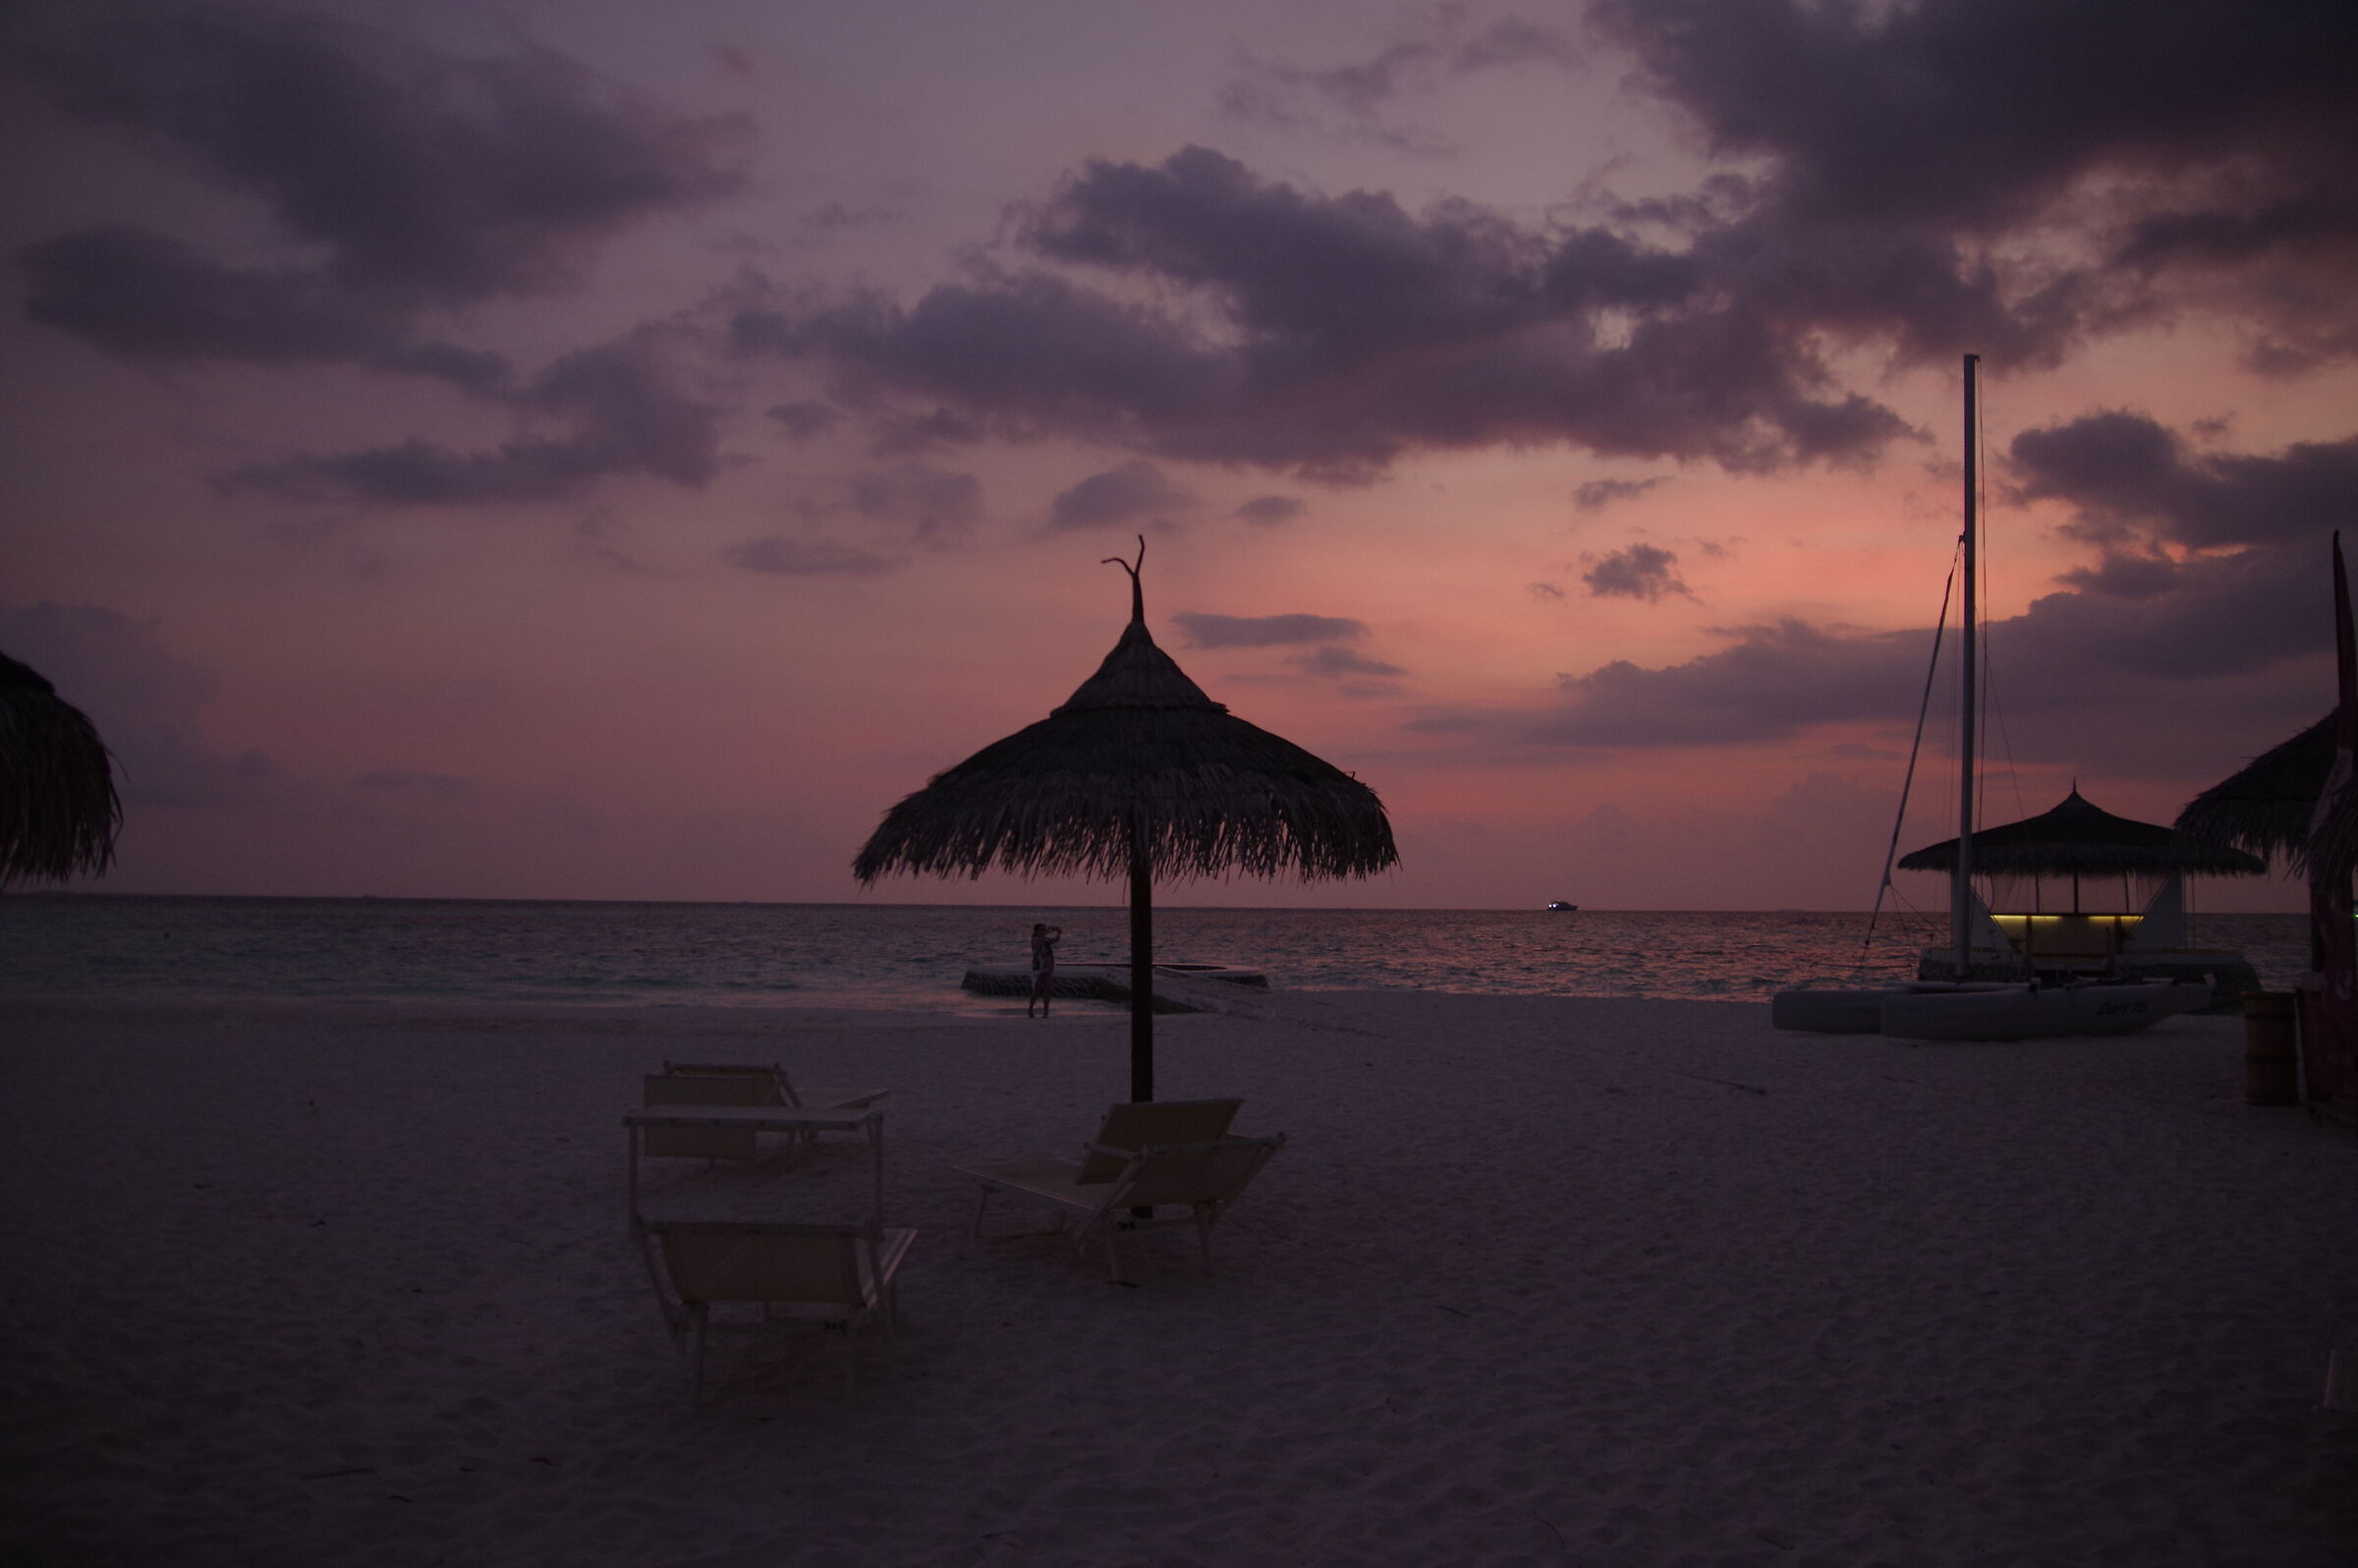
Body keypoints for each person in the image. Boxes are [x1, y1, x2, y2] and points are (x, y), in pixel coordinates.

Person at [1027, 922, 1062, 1017]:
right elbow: (1039, 941)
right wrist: (1048, 931)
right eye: (1041, 929)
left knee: (1047, 989)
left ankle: (1045, 1012)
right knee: (1037, 990)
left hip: (1048, 966)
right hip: (1038, 967)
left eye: (1044, 929)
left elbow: (1055, 940)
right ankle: (1030, 1009)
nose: (1043, 931)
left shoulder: (1045, 939)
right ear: (1037, 931)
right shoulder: (1035, 939)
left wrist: (1058, 933)